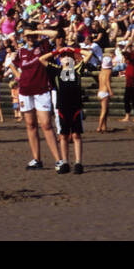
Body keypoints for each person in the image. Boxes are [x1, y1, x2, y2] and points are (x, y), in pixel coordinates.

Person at [15, 27, 66, 172]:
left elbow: (55, 33)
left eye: (32, 35)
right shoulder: (21, 51)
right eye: (27, 36)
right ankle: (36, 159)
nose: (30, 38)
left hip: (41, 89)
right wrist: (19, 78)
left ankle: (58, 160)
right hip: (25, 90)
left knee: (46, 125)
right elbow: (14, 64)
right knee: (30, 125)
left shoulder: (43, 46)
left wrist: (34, 31)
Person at [41, 45, 86, 174]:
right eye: (63, 56)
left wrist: (74, 50)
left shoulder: (77, 69)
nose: (66, 58)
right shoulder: (56, 70)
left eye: (69, 56)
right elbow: (42, 59)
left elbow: (88, 55)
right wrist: (57, 51)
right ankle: (65, 162)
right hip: (62, 107)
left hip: (75, 106)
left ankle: (78, 162)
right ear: (60, 59)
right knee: (63, 135)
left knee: (76, 134)